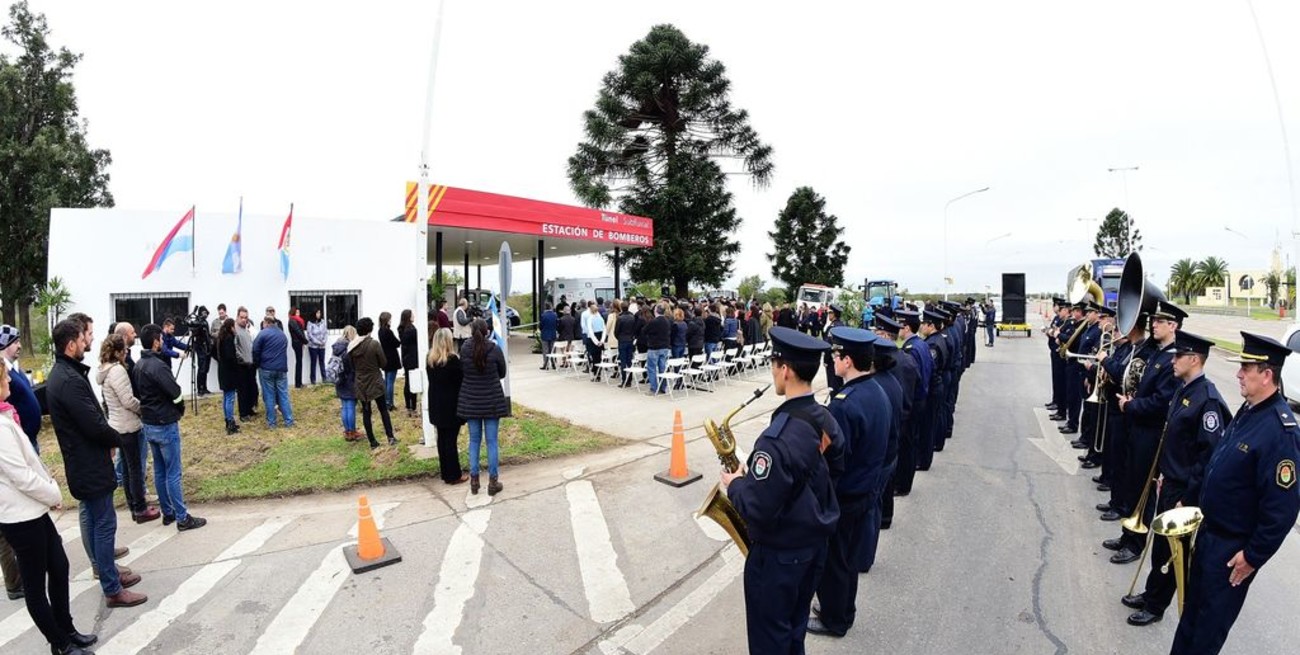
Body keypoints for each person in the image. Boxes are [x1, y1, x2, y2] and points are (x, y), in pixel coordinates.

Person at [1169, 332, 1300, 654]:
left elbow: (1281, 508)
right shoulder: (1249, 409)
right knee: (1190, 616)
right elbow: (1219, 464)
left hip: (1232, 550)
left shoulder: (1281, 432)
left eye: (1246, 369)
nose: (1238, 374)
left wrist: (1253, 556)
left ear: (1267, 375)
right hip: (1210, 536)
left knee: (1208, 629)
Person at [722, 326, 841, 655]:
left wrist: (737, 485)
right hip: (814, 548)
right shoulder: (824, 418)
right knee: (793, 631)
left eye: (774, 365)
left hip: (779, 558)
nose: (772, 372)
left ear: (784, 369)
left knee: (769, 640)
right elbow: (836, 470)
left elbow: (758, 507)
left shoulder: (775, 439)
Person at [1122, 330, 1230, 627]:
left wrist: (1189, 497)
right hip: (1169, 482)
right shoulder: (1185, 389)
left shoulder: (1207, 400)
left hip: (1184, 490)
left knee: (1173, 552)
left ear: (1194, 359)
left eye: (1179, 356)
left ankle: (1156, 606)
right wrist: (1163, 473)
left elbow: (1207, 458)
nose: (1173, 361)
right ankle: (1151, 593)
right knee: (1160, 547)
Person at [0, 356, 99, 654]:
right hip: (19, 515)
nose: (8, 382)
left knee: (59, 566)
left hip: (32, 509)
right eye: (4, 378)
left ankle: (66, 628)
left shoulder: (5, 417)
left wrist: (47, 491)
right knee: (34, 584)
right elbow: (21, 477)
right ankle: (60, 644)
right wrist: (53, 494)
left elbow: (30, 464)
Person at [46, 319, 147, 608]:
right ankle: (112, 587)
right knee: (103, 524)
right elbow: (93, 424)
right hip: (88, 463)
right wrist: (116, 439)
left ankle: (108, 572)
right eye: (84, 337)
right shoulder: (66, 380)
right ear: (71, 344)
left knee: (94, 520)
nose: (88, 342)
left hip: (84, 461)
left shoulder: (67, 373)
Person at [807, 327, 890, 638]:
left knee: (835, 561)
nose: (832, 361)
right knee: (847, 558)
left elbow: (831, 460)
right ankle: (840, 608)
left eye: (836, 356)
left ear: (848, 360)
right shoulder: (875, 390)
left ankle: (835, 618)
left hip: (845, 494)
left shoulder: (844, 403)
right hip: (865, 489)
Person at [1109, 300, 1185, 564]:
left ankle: (1135, 542)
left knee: (1142, 488)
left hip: (1150, 433)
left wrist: (1131, 404)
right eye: (1153, 320)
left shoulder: (1171, 359)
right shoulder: (1155, 351)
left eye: (1159, 321)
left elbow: (1161, 402)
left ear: (1173, 325)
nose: (1153, 324)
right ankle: (1127, 532)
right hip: (1136, 427)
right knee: (1130, 482)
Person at [135, 324, 208, 534]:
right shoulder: (158, 366)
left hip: (149, 423)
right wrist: (180, 407)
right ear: (156, 341)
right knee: (173, 472)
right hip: (164, 423)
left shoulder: (139, 365)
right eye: (160, 338)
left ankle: (167, 512)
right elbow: (175, 392)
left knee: (159, 470)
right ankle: (182, 517)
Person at [96, 335, 160, 524]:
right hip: (127, 425)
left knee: (126, 468)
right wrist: (143, 408)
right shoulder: (117, 371)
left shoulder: (105, 371)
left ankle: (133, 504)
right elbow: (127, 400)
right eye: (124, 350)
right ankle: (140, 508)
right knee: (134, 469)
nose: (126, 353)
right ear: (117, 352)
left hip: (116, 424)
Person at [459, 318, 509, 495]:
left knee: (474, 441)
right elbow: (502, 372)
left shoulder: (464, 349)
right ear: (487, 330)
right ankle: (493, 481)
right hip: (492, 401)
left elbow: (462, 371)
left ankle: (474, 479)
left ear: (471, 331)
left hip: (471, 401)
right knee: (492, 442)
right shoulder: (494, 349)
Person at [892, 311, 931, 494]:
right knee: (911, 442)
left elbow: (910, 381)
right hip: (920, 400)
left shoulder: (911, 349)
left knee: (906, 445)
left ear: (906, 328)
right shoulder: (920, 344)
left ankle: (902, 485)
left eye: (900, 325)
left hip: (913, 403)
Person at [427, 328, 468, 485]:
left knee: (442, 440)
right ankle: (454, 474)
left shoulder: (430, 360)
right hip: (451, 406)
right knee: (451, 441)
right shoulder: (453, 361)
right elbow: (460, 382)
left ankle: (445, 472)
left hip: (436, 405)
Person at [350, 317, 397, 449]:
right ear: (370, 329)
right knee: (383, 410)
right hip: (375, 381)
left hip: (361, 383)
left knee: (366, 412)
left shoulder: (352, 346)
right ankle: (390, 437)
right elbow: (383, 363)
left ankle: (372, 441)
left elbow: (351, 365)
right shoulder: (374, 344)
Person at [1, 325, 41, 451]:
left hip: (30, 440)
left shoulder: (16, 370)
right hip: (21, 442)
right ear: (5, 344)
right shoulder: (4, 375)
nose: (20, 346)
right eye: (16, 342)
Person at [251, 315, 294, 429]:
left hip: (266, 369)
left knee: (269, 396)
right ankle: (289, 421)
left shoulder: (263, 334)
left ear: (266, 322)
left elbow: (255, 349)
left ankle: (272, 423)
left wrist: (257, 363)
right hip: (281, 369)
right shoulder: (282, 335)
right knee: (283, 394)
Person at [214, 318, 241, 435]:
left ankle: (227, 420)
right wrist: (237, 365)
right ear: (230, 327)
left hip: (222, 370)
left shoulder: (220, 338)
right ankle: (231, 423)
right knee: (230, 398)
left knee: (226, 397)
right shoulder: (229, 338)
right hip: (229, 372)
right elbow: (231, 357)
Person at [334, 326, 360, 441]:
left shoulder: (336, 347)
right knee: (350, 407)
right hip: (349, 380)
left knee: (344, 406)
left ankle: (347, 431)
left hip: (339, 379)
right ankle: (352, 431)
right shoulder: (349, 348)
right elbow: (352, 367)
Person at [235, 306, 259, 421]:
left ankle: (249, 409)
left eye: (246, 317)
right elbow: (235, 348)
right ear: (237, 317)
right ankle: (243, 413)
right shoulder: (235, 330)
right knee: (243, 390)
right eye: (242, 317)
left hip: (250, 364)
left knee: (250, 388)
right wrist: (242, 360)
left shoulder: (246, 329)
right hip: (241, 366)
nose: (244, 320)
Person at [644, 304, 672, 395]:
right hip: (664, 346)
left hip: (654, 347)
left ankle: (654, 388)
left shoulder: (653, 322)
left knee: (651, 368)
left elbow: (644, 330)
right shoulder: (667, 321)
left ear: (656, 311)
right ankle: (663, 387)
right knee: (662, 367)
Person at [398, 309, 420, 417]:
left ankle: (408, 406)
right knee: (413, 382)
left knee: (407, 381)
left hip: (406, 357)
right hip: (412, 357)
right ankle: (413, 406)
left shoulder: (401, 329)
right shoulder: (411, 330)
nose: (414, 316)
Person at [377, 312, 401, 412]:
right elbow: (396, 343)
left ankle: (387, 401)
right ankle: (389, 402)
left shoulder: (380, 331)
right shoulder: (388, 331)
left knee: (387, 380)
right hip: (392, 357)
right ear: (387, 320)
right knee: (390, 382)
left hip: (385, 357)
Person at [821, 304, 845, 392]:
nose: (828, 315)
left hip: (832, 360)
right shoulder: (842, 325)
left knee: (833, 386)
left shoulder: (832, 328)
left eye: (830, 313)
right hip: (841, 359)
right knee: (839, 385)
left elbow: (828, 346)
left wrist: (825, 360)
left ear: (834, 314)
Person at [288, 307, 308, 389]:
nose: (298, 314)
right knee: (299, 362)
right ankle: (298, 383)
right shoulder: (293, 321)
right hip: (297, 343)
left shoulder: (297, 320)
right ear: (293, 313)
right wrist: (305, 341)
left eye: (299, 312)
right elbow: (298, 332)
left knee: (299, 362)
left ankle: (299, 382)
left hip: (298, 342)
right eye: (297, 312)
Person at [585, 302, 606, 381]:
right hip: (600, 337)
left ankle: (595, 374)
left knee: (594, 358)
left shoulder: (590, 318)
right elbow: (604, 329)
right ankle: (599, 374)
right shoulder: (601, 318)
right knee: (599, 357)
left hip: (593, 339)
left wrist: (596, 342)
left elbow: (590, 331)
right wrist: (602, 341)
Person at [539, 302, 558, 370]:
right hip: (553, 334)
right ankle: (553, 364)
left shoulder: (543, 315)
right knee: (552, 350)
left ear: (545, 307)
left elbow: (541, 326)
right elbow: (557, 325)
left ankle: (546, 365)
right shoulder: (555, 315)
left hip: (545, 335)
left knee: (545, 350)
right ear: (551, 307)